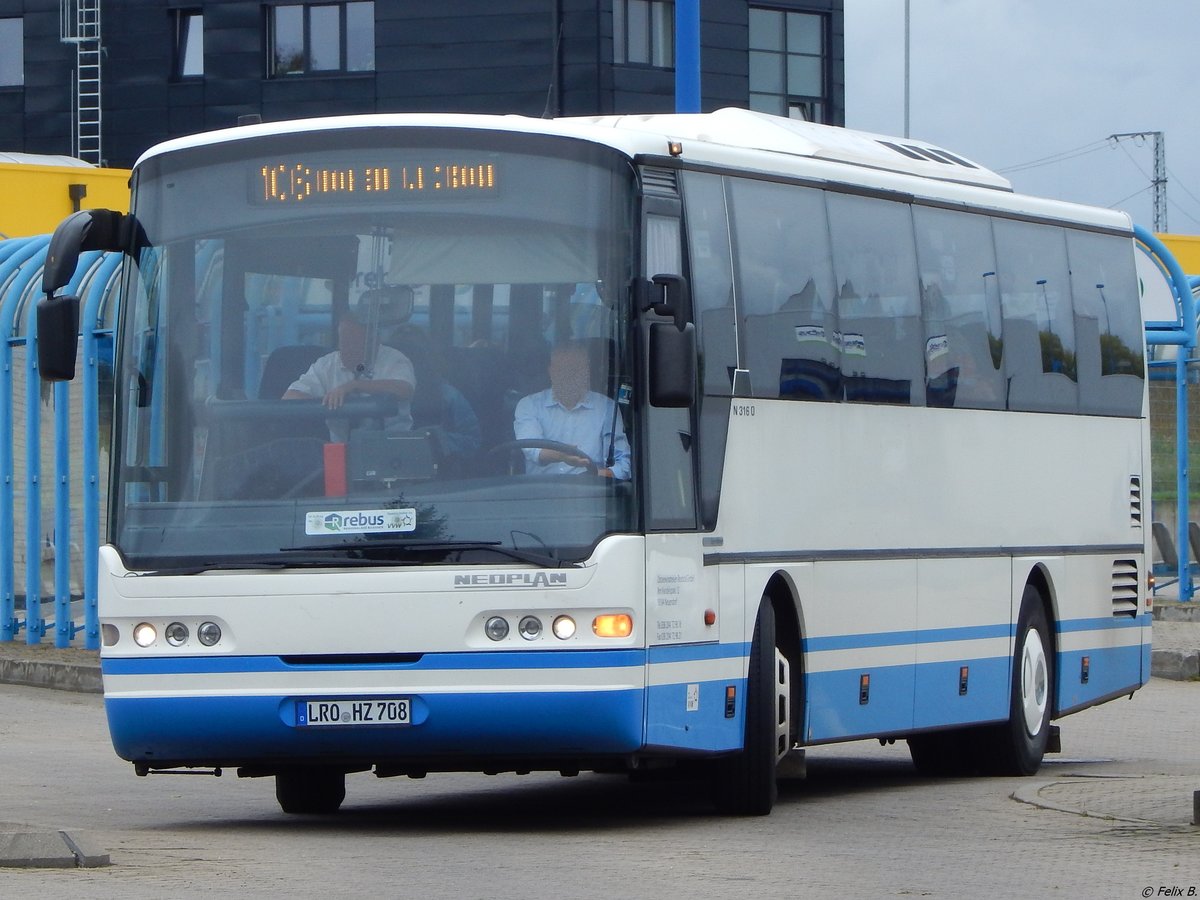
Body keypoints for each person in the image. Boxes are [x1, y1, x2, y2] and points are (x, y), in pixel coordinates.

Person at [283, 310, 416, 442]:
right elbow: (289, 398)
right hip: (340, 452)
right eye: (344, 341)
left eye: (355, 342)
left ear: (374, 341)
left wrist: (355, 386)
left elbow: (404, 389)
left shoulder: (394, 359)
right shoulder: (327, 365)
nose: (348, 348)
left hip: (393, 447)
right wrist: (330, 400)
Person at [513, 341, 630, 480]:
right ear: (551, 371)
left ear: (586, 372)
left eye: (575, 369)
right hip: (541, 495)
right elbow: (532, 449)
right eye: (562, 369)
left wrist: (592, 476)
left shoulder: (607, 408)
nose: (568, 376)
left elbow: (623, 464)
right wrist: (561, 456)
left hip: (592, 495)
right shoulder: (529, 405)